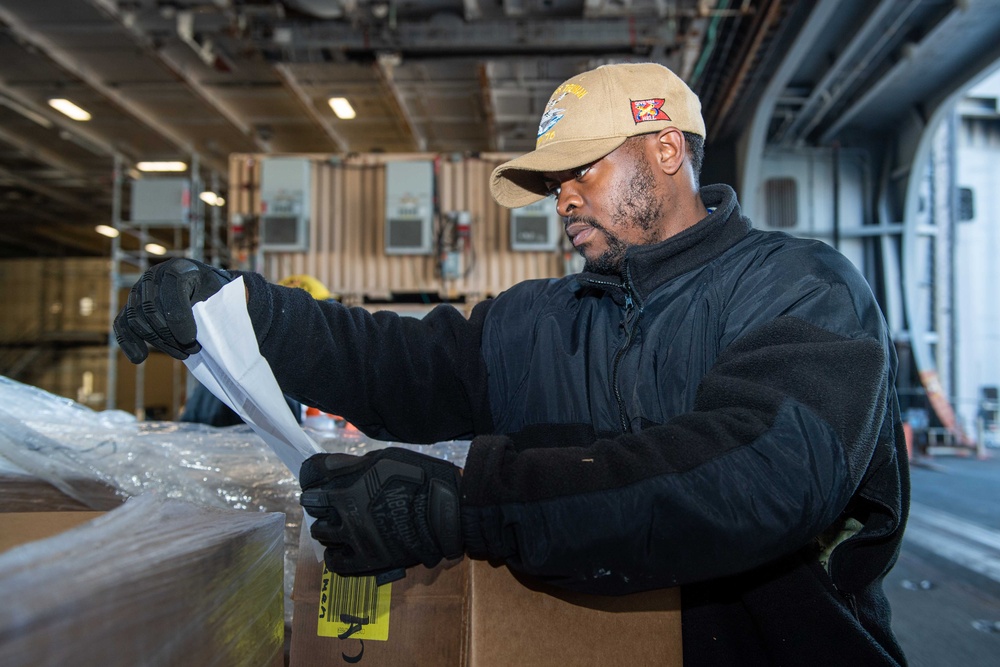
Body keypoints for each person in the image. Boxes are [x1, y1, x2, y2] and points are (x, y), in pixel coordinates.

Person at [113, 62, 909, 666]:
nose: (562, 199)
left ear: (667, 147)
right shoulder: (538, 320)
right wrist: (243, 310)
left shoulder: (802, 288)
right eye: (553, 182)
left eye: (582, 170)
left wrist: (472, 504)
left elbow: (752, 474)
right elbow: (399, 364)